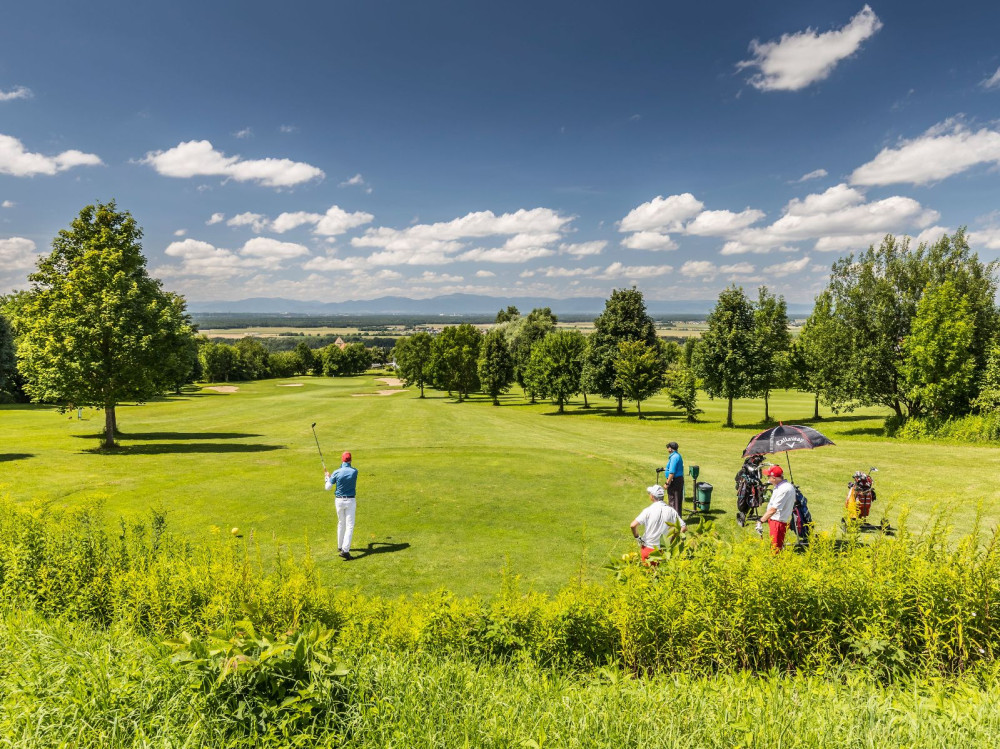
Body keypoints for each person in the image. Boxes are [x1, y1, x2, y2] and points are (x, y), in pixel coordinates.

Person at [631, 485, 686, 561]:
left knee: (647, 572)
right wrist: (672, 539)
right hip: (664, 551)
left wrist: (638, 538)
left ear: (652, 496)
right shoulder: (671, 511)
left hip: (648, 549)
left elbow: (633, 525)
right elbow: (683, 527)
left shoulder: (648, 510)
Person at [324, 451, 358, 560]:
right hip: (350, 501)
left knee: (341, 522)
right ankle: (345, 550)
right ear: (350, 460)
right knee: (350, 525)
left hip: (339, 501)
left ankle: (340, 546)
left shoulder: (336, 472)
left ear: (342, 460)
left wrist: (327, 478)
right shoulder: (354, 471)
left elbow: (328, 487)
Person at [759, 465, 796, 551]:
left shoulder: (784, 489)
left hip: (777, 522)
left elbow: (773, 510)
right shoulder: (783, 486)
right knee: (776, 546)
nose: (767, 479)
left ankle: (776, 562)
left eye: (769, 477)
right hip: (776, 521)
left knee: (775, 549)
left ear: (774, 478)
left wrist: (761, 520)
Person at [662, 441, 684, 515]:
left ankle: (675, 520)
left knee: (673, 500)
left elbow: (672, 473)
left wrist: (667, 483)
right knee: (676, 500)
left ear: (670, 449)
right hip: (678, 480)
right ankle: (676, 519)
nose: (667, 449)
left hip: (675, 481)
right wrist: (663, 469)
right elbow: (672, 468)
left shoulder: (674, 457)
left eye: (668, 448)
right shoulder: (677, 455)